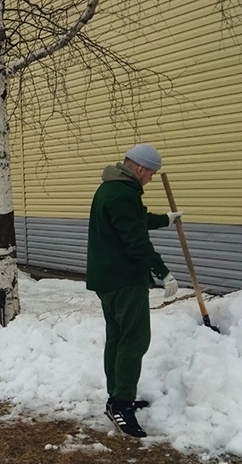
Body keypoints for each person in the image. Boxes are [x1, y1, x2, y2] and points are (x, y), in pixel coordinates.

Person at [86, 144, 182, 438]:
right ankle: (122, 406)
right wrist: (163, 272)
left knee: (117, 338)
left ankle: (116, 398)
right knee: (135, 340)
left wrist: (165, 219)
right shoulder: (123, 194)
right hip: (124, 280)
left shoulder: (112, 188)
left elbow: (135, 222)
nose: (151, 179)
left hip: (108, 279)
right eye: (150, 174)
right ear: (140, 168)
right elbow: (136, 242)